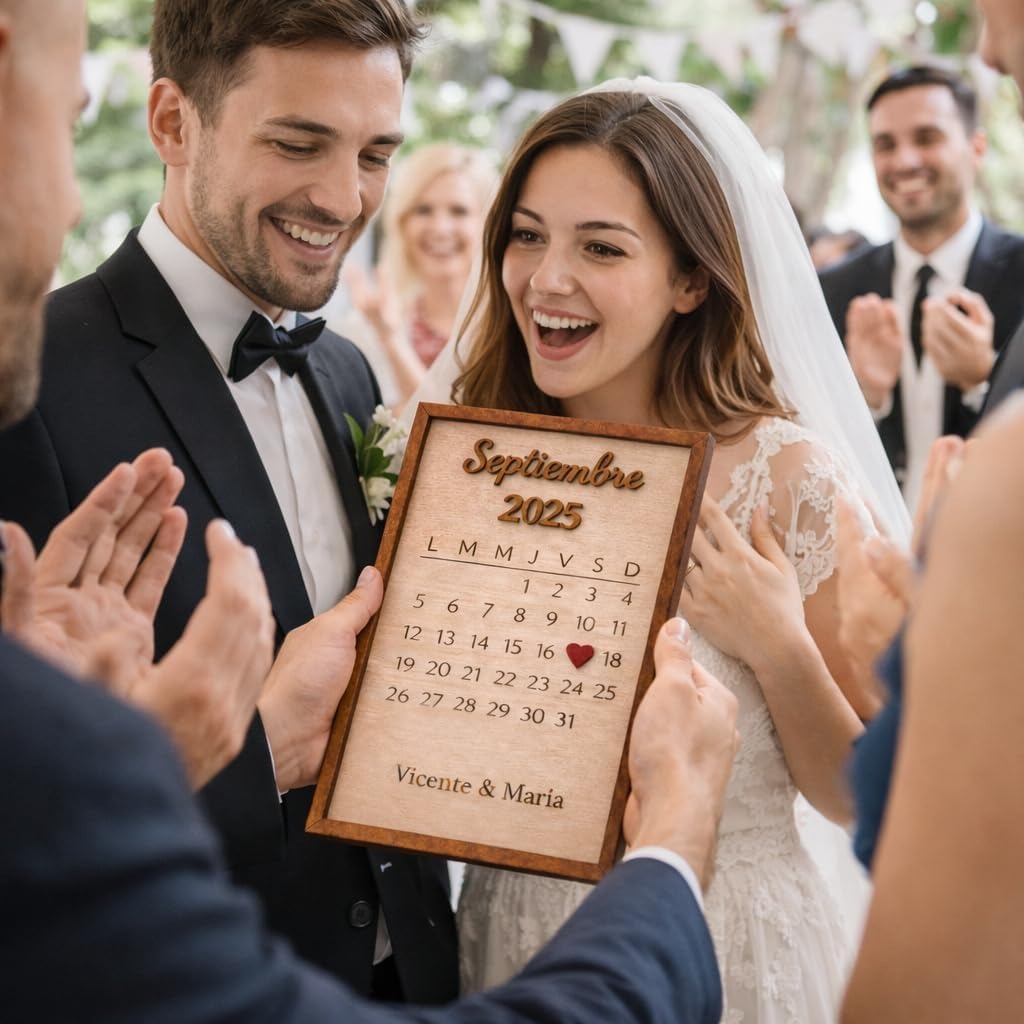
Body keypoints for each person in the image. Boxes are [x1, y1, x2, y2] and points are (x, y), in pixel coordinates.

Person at [411, 76, 908, 1021]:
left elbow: (860, 798)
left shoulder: (787, 475)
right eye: (526, 235)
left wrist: (777, 644)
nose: (548, 279)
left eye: (600, 247)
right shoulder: (477, 459)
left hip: (728, 943)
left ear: (691, 278)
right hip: (521, 940)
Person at [0, 0, 458, 1001]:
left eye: (377, 153)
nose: (343, 196)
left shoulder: (347, 372)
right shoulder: (29, 375)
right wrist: (264, 748)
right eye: (299, 143)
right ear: (172, 123)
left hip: (412, 973)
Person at [818, 65, 1024, 511]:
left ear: (977, 148)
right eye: (885, 145)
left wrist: (983, 381)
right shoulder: (832, 290)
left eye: (927, 138)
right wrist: (864, 399)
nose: (904, 161)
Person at [338, 142, 496, 405]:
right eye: (423, 210)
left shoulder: (509, 327)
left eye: (459, 211)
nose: (440, 228)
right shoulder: (365, 331)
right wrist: (386, 335)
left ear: (487, 223)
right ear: (402, 223)